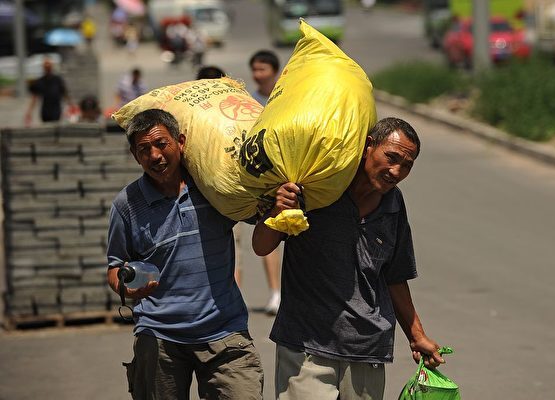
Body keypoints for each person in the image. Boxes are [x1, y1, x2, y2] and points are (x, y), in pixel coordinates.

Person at [252, 117, 445, 399]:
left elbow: (394, 276)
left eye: (407, 165)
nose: (396, 171)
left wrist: (417, 335)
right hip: (307, 344)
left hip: (367, 349)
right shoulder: (318, 187)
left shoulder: (393, 204)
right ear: (368, 146)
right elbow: (261, 246)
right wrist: (276, 211)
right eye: (391, 157)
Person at [106, 109, 263, 400]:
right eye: (144, 149)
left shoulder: (213, 187)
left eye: (161, 144)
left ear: (180, 141)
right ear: (134, 155)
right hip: (159, 336)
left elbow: (260, 217)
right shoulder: (126, 205)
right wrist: (126, 287)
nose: (155, 155)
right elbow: (114, 267)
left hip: (224, 332)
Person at [248, 49, 282, 315]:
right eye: (255, 70)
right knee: (268, 228)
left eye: (262, 69)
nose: (258, 75)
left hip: (293, 171)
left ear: (274, 70)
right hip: (265, 175)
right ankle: (275, 293)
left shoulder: (286, 94)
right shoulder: (249, 101)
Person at [24, 59, 73, 126]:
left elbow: (64, 93)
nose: (47, 69)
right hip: (45, 110)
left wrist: (71, 105)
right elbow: (34, 97)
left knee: (55, 125)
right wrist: (29, 112)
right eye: (46, 67)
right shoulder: (40, 81)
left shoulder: (57, 80)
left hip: (56, 109)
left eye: (49, 67)